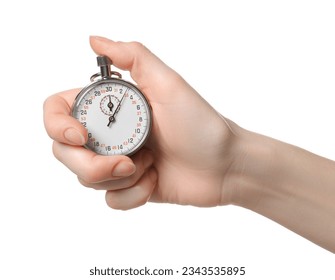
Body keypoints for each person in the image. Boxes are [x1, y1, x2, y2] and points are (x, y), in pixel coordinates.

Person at [43, 36, 335, 253]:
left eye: (115, 108)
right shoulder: (99, 102)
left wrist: (232, 166)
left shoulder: (128, 100)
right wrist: (232, 168)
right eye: (105, 111)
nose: (110, 117)